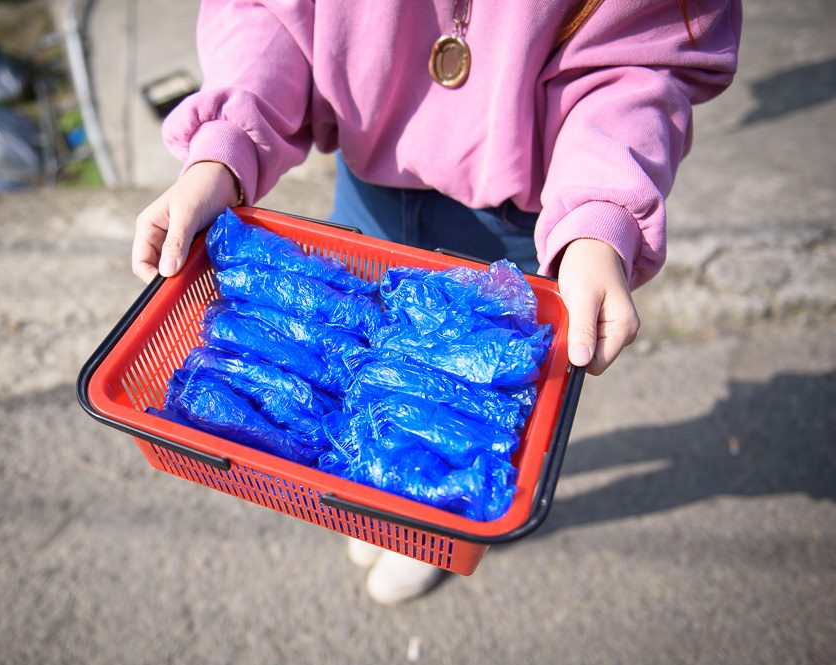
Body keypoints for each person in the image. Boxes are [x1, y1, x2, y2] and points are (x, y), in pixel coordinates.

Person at [132, 0, 741, 604]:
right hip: (369, 185)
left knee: (480, 396)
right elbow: (268, 15)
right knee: (356, 370)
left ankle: (420, 529)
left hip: (522, 213)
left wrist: (599, 213)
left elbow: (637, 59)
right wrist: (224, 145)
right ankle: (375, 496)